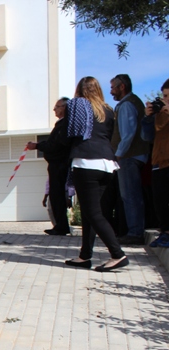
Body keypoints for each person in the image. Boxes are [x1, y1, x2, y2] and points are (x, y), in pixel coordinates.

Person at [64, 76, 128, 272]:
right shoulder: (107, 110)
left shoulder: (77, 105)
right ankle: (85, 256)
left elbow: (71, 133)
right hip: (107, 164)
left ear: (79, 89)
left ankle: (117, 254)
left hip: (86, 162)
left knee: (93, 213)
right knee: (91, 213)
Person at [110, 74, 151, 244]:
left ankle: (135, 233)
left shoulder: (127, 105)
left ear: (122, 87)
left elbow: (128, 133)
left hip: (129, 156)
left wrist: (119, 154)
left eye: (113, 87)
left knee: (130, 196)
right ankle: (133, 231)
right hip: (132, 156)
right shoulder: (132, 102)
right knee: (131, 195)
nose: (111, 91)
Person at [28, 97, 72, 235]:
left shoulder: (65, 125)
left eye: (57, 107)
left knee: (58, 196)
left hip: (60, 165)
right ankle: (59, 225)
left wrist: (38, 146)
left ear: (64, 108)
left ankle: (61, 226)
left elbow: (55, 145)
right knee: (55, 195)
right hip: (56, 165)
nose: (54, 109)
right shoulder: (61, 125)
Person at [142, 79, 169, 247]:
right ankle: (165, 233)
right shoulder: (159, 114)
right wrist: (147, 117)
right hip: (159, 161)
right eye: (164, 96)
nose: (165, 100)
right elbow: (147, 137)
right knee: (160, 201)